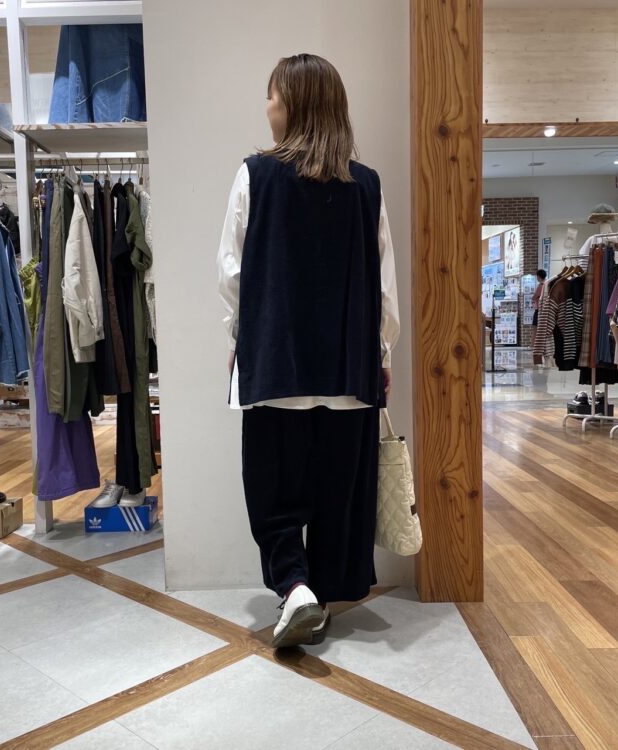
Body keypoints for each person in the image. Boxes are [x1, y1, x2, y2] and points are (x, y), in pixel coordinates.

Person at [217, 53, 400, 649]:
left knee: (272, 491)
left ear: (294, 104)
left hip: (276, 365)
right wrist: (382, 356)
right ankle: (316, 593)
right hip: (349, 369)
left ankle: (295, 588)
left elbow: (232, 275)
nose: (266, 106)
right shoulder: (366, 185)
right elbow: (384, 287)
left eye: (271, 95)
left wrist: (239, 340)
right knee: (336, 494)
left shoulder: (255, 175)